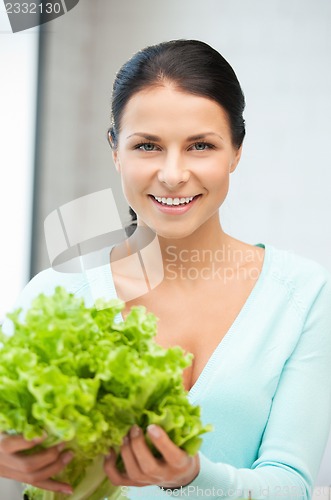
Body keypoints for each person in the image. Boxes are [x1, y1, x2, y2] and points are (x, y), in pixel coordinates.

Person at [1, 39, 331, 499]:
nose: (173, 174)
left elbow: (291, 484)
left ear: (236, 151)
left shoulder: (302, 294)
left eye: (200, 145)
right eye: (148, 146)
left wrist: (192, 477)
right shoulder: (52, 299)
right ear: (116, 151)